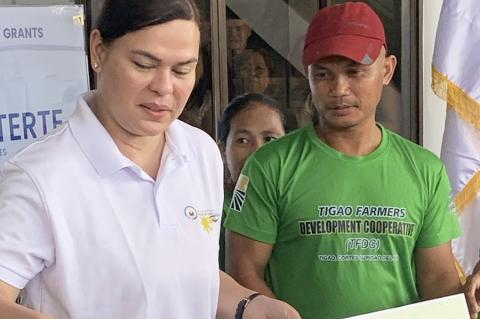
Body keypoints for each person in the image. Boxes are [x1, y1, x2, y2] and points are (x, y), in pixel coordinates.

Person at [0, 1, 301, 318]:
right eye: (144, 64)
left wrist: (247, 304)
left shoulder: (199, 152)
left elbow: (189, 279)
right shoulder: (41, 176)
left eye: (182, 70)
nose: (164, 87)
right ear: (98, 50)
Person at [224, 2, 462, 319]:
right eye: (323, 74)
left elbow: (437, 280)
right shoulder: (270, 165)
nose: (338, 89)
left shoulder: (425, 170)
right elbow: (243, 275)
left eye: (355, 72)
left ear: (387, 70)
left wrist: (467, 297)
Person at [218, 93, 287, 270]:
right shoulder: (208, 215)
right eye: (243, 140)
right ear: (222, 150)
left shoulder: (304, 207)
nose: (258, 152)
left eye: (270, 139)